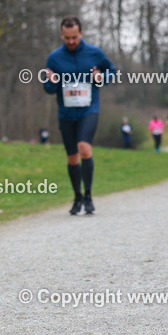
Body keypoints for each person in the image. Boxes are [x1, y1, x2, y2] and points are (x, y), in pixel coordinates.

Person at [43, 17, 117, 215]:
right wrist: (52, 82)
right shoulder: (55, 57)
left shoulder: (94, 53)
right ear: (61, 35)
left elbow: (112, 71)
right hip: (66, 113)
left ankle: (89, 196)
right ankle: (77, 197)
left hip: (89, 109)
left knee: (84, 148)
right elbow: (48, 88)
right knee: (72, 157)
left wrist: (102, 78)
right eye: (67, 37)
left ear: (81, 34)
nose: (71, 41)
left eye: (74, 37)